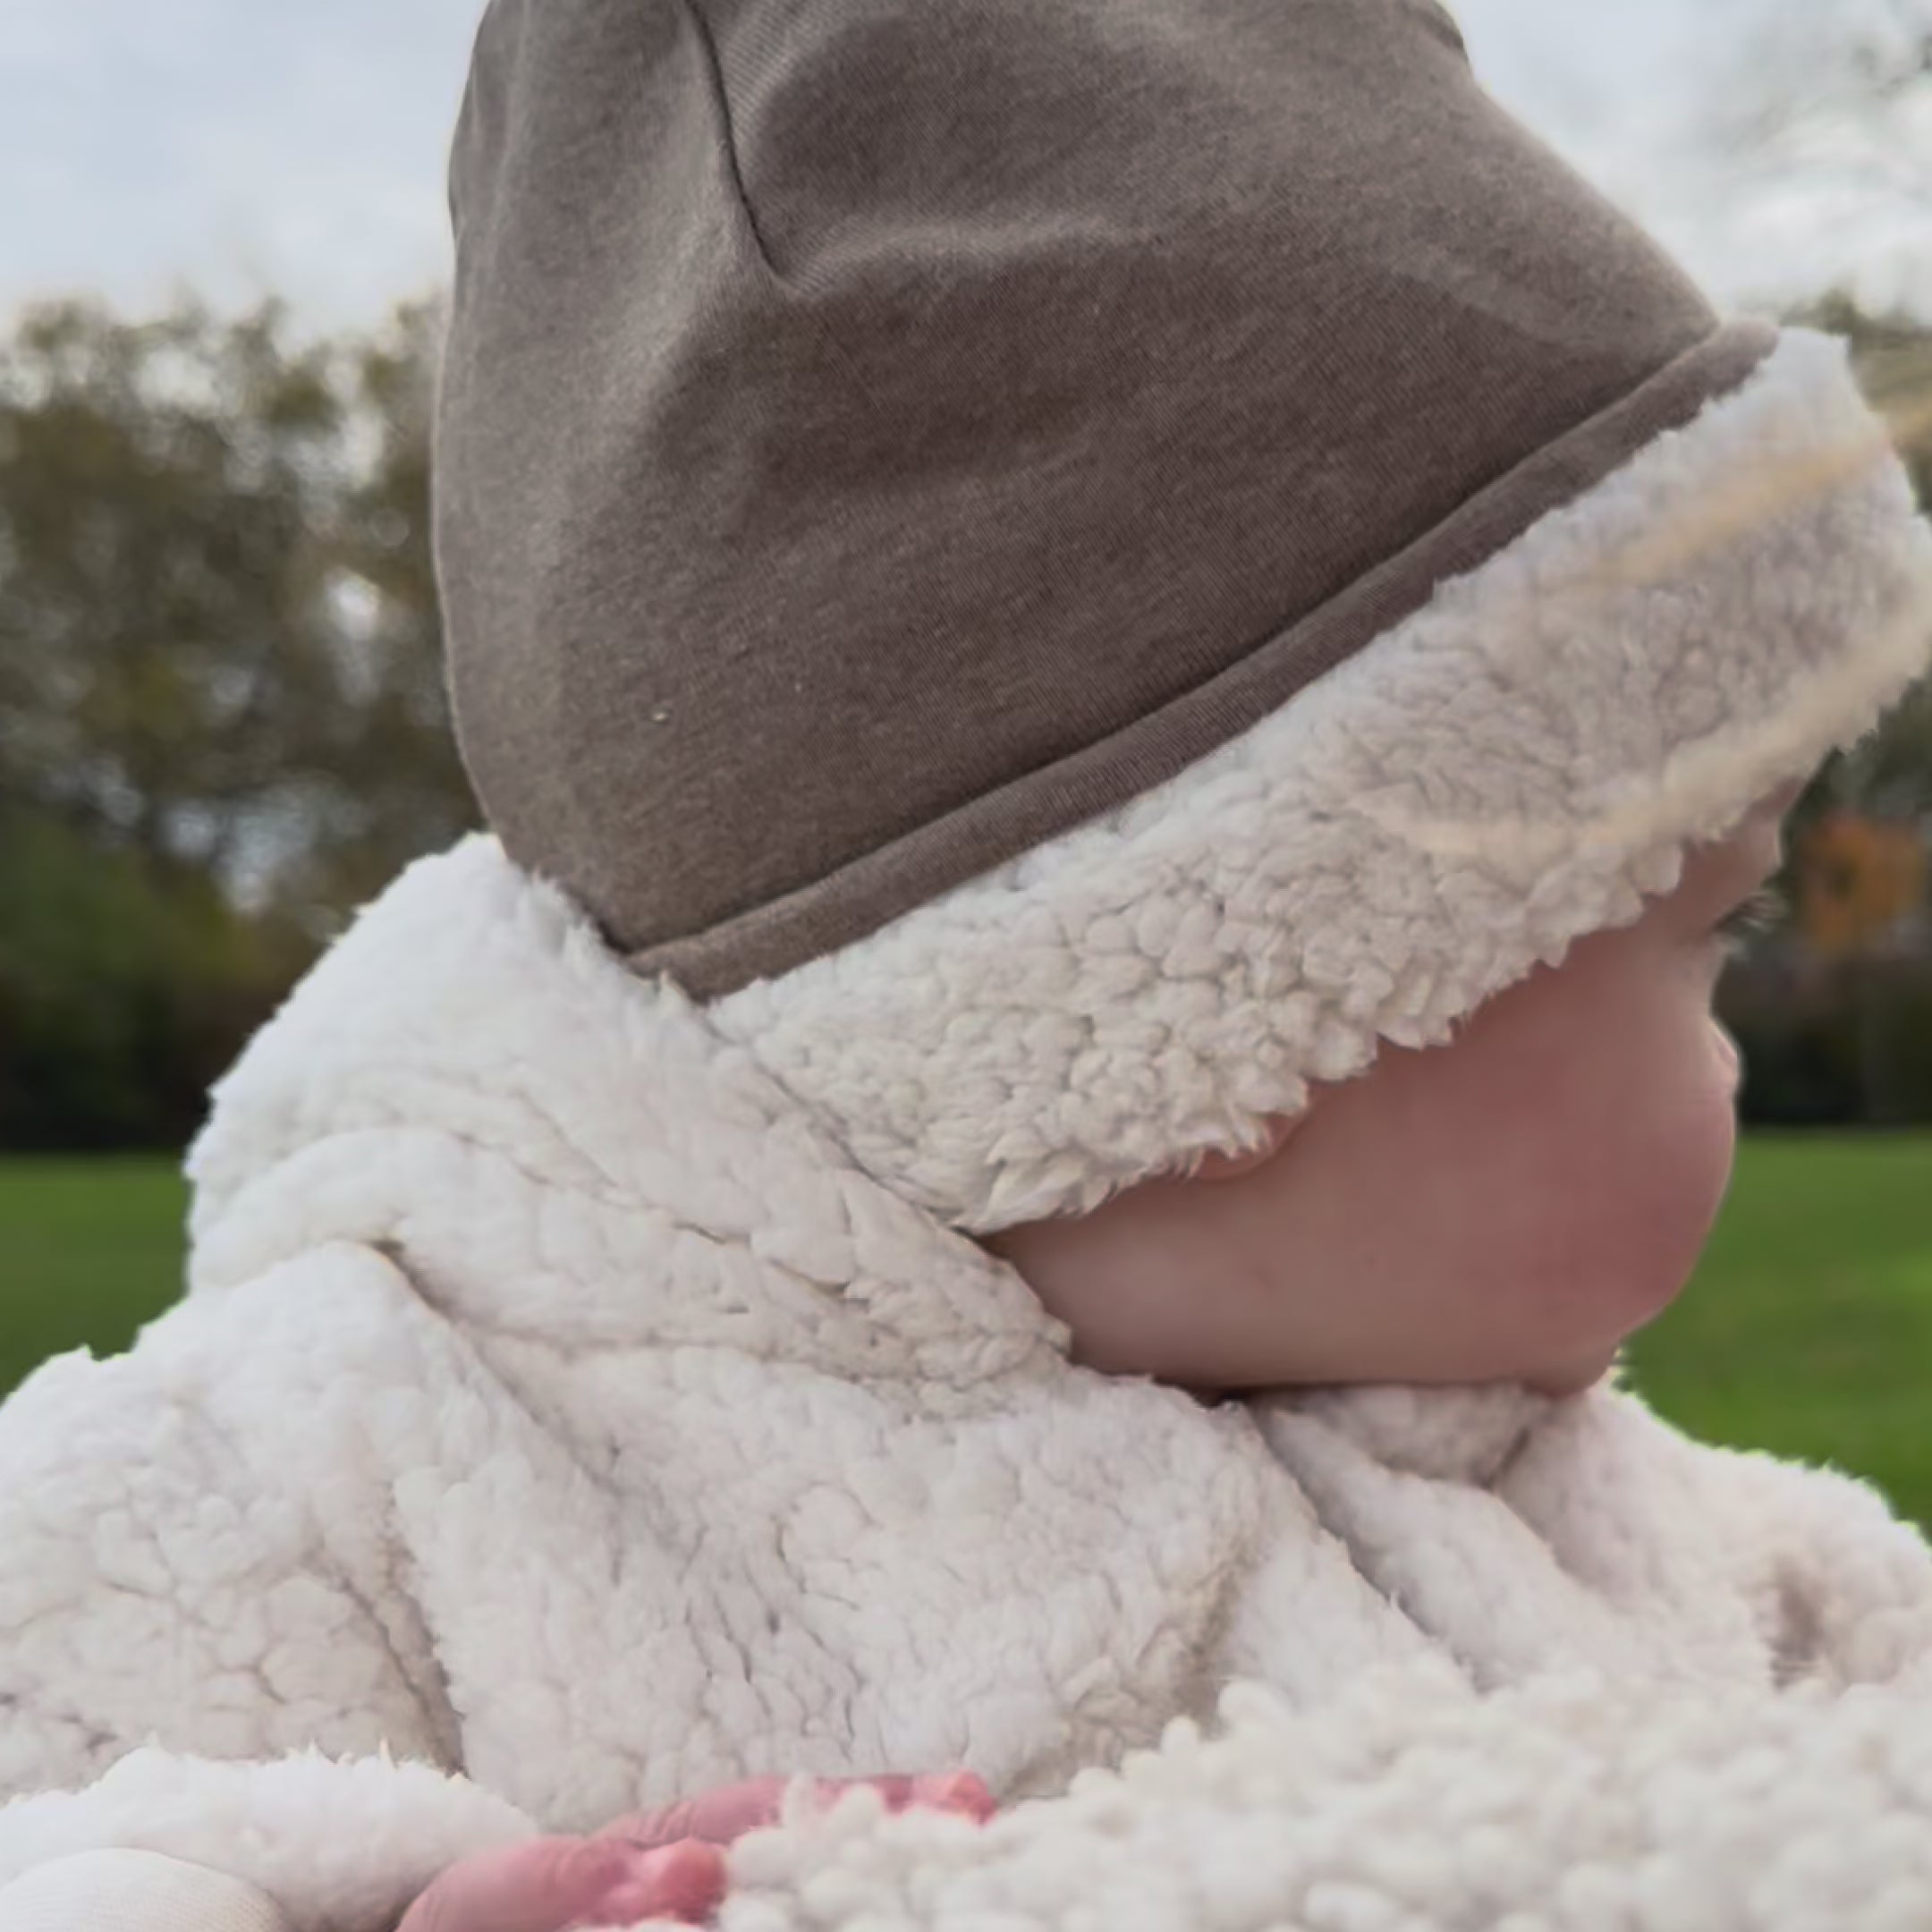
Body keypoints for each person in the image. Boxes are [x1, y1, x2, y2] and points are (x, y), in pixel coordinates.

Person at [6, 0, 1932, 1925]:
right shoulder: (304, 1492)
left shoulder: (1663, 1529)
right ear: (1228, 1011)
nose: (1736, 1042)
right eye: (1710, 935)